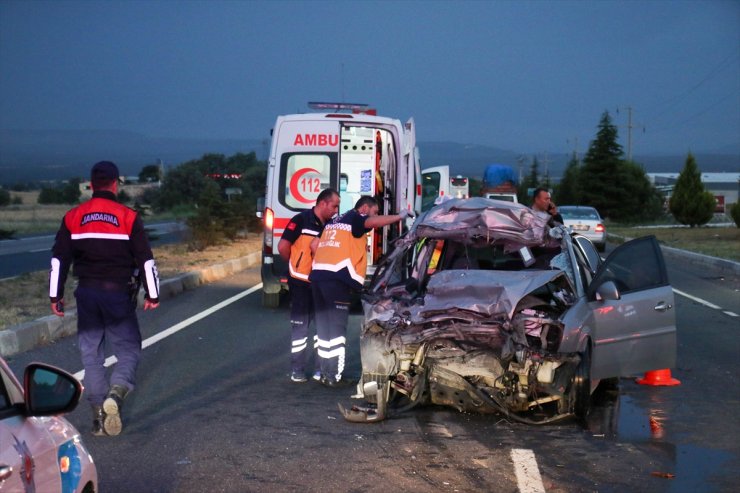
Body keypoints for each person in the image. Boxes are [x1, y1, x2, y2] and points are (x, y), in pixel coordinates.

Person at [49, 161, 160, 437]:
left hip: (86, 293)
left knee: (91, 355)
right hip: (117, 293)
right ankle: (118, 391)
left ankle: (98, 417)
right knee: (128, 349)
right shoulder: (128, 216)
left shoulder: (73, 216)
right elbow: (146, 260)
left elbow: (58, 260)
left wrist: (55, 295)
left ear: (91, 184)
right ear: (115, 184)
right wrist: (153, 293)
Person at [309, 196, 413, 387]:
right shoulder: (355, 218)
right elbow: (372, 222)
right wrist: (399, 216)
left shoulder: (334, 222)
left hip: (317, 277)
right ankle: (334, 376)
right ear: (364, 208)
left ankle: (324, 372)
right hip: (336, 281)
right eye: (374, 211)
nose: (374, 217)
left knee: (324, 328)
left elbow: (313, 245)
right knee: (337, 330)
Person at [277, 188, 340, 383]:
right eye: (334, 205)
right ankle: (297, 369)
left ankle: (320, 370)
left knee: (323, 329)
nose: (336, 210)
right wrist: (295, 265)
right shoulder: (301, 220)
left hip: (321, 283)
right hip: (301, 282)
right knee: (301, 328)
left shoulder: (331, 225)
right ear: (322, 203)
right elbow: (282, 246)